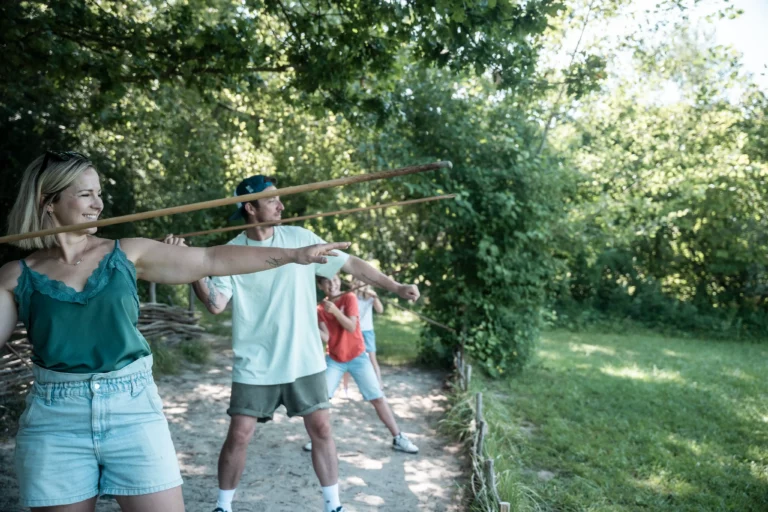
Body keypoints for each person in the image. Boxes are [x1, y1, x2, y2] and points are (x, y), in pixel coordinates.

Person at [0, 151, 347, 512]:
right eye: (86, 194)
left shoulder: (128, 253)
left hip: (132, 410)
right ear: (48, 201)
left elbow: (211, 259)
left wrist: (294, 255)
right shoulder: (14, 276)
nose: (98, 205)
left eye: (99, 194)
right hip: (55, 420)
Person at [171, 174, 420, 512]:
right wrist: (193, 267)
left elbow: (350, 263)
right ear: (250, 208)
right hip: (256, 361)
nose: (281, 205)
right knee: (239, 434)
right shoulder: (230, 253)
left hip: (305, 358)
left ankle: (333, 505)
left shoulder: (301, 238)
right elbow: (215, 303)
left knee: (322, 429)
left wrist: (395, 286)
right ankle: (223, 506)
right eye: (272, 200)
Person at [303, 274, 418, 455]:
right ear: (320, 285)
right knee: (321, 399)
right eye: (327, 282)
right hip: (335, 359)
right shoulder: (320, 308)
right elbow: (326, 337)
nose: (332, 284)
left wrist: (335, 311)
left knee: (377, 397)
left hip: (358, 357)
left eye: (335, 280)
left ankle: (398, 437)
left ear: (340, 281)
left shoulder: (349, 297)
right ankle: (317, 438)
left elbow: (351, 326)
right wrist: (308, 324)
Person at [341, 279, 384, 395]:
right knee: (348, 358)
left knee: (372, 359)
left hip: (367, 331)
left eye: (362, 282)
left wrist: (375, 297)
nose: (360, 285)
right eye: (357, 282)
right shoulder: (350, 297)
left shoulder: (370, 297)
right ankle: (345, 388)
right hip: (353, 331)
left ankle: (379, 384)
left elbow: (380, 310)